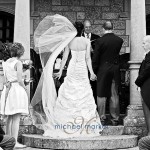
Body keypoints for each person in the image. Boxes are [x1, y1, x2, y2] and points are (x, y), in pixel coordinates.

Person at [31, 14, 103, 138]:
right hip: (82, 70)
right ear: (83, 30)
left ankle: (65, 122)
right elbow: (87, 58)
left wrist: (59, 71)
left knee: (69, 91)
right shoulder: (86, 41)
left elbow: (65, 58)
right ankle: (85, 124)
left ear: (74, 30)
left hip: (72, 69)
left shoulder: (69, 41)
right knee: (83, 92)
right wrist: (91, 72)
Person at [92, 21, 123, 125]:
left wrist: (94, 70)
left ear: (103, 29)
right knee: (114, 94)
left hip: (103, 69)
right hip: (114, 69)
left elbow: (95, 58)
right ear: (112, 28)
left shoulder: (99, 41)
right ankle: (115, 119)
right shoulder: (119, 40)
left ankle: (101, 118)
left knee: (101, 94)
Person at [0, 43, 28, 148]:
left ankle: (7, 141)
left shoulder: (6, 62)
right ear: (20, 52)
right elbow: (20, 80)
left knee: (9, 118)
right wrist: (25, 88)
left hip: (9, 89)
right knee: (16, 117)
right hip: (16, 89)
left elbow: (6, 79)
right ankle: (15, 142)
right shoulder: (18, 63)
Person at [135, 36, 150, 150]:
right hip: (145, 87)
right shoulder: (147, 55)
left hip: (148, 88)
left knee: (148, 112)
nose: (142, 45)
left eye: (144, 43)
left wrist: (137, 82)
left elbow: (146, 71)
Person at [82, 20, 100, 102]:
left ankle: (93, 103)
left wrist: (93, 51)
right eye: (86, 27)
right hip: (82, 65)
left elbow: (100, 52)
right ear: (83, 27)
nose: (88, 28)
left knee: (93, 86)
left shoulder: (97, 38)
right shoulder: (79, 37)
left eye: (89, 27)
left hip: (94, 65)